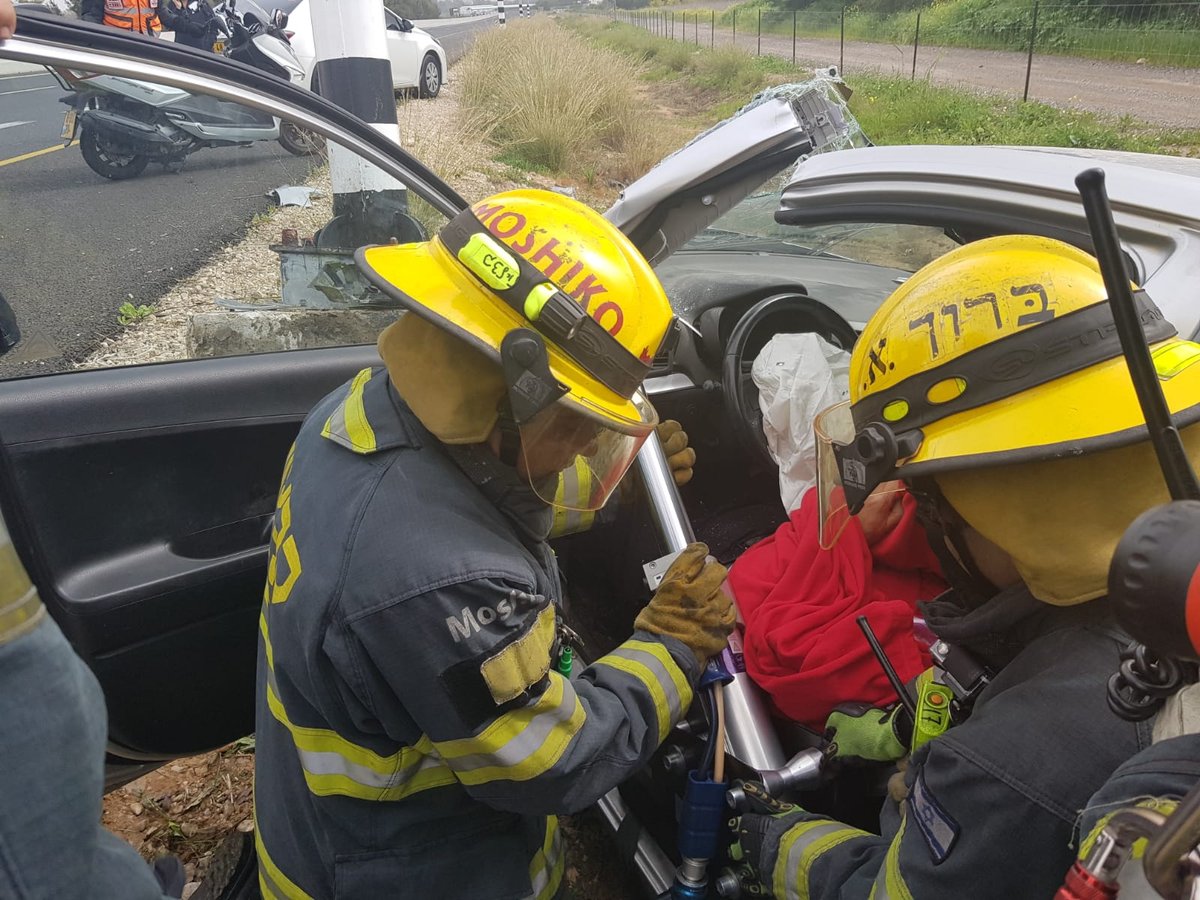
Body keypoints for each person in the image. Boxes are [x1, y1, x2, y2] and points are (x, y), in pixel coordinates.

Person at [253, 188, 736, 899]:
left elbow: (474, 497)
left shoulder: (359, 414)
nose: (586, 447)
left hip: (331, 831)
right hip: (403, 875)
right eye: (576, 421)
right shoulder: (440, 580)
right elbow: (555, 760)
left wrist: (621, 490)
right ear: (510, 389)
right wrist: (672, 645)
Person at [734, 234, 1200, 899]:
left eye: (927, 496)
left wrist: (778, 839)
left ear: (972, 501)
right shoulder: (1156, 595)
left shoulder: (1007, 761)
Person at [81, 0, 160, 35]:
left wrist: (173, 22)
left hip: (150, 43)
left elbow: (160, 10)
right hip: (118, 45)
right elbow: (91, 17)